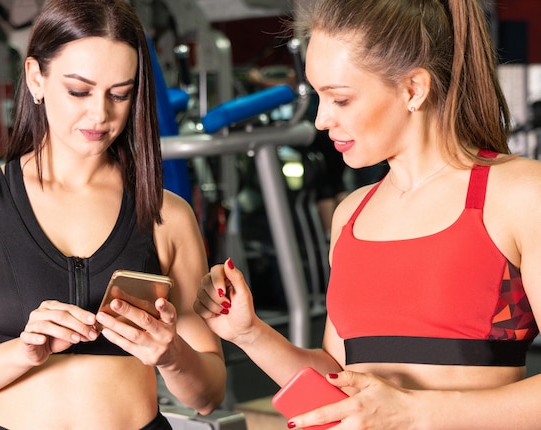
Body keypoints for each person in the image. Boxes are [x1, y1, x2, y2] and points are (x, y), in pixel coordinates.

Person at [194, 0, 541, 428]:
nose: (321, 120)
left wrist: (411, 413)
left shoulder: (520, 193)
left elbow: (395, 412)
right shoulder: (351, 215)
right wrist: (250, 334)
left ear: (414, 88)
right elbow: (341, 384)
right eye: (318, 97)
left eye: (340, 99)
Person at [0, 1, 226, 428]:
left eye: (120, 93)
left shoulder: (166, 214)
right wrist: (24, 351)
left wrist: (171, 355)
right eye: (79, 91)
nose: (100, 114)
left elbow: (209, 395)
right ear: (35, 78)